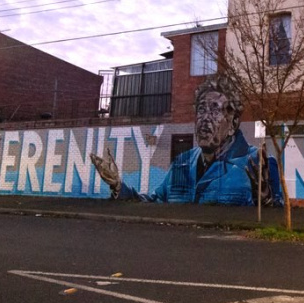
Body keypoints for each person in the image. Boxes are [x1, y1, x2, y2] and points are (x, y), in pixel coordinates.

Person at [91, 76, 281, 207]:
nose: (205, 118)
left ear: (233, 123)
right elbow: (153, 203)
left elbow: (278, 216)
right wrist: (117, 186)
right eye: (201, 109)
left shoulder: (258, 163)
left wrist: (267, 203)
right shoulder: (181, 164)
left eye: (215, 110)